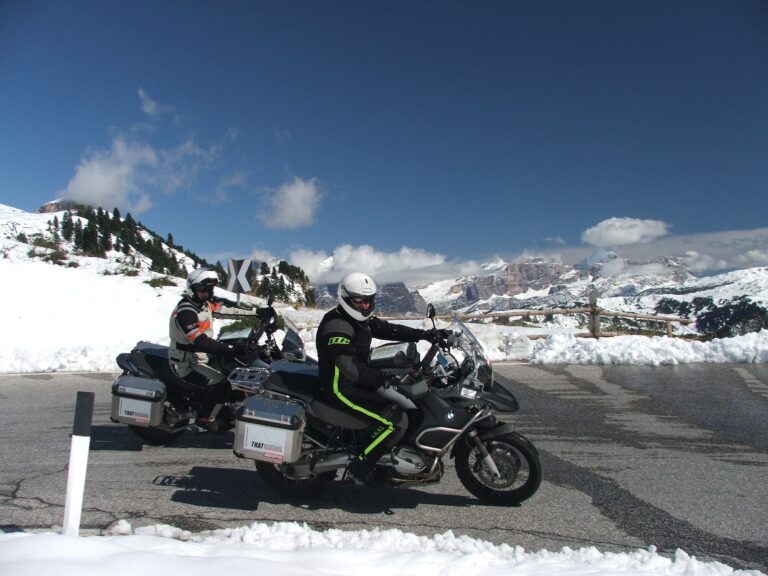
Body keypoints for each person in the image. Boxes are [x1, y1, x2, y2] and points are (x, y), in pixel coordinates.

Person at [315, 272, 447, 485]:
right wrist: (382, 379)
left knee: (400, 404)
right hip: (340, 389)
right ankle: (361, 466)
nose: (366, 306)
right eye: (360, 300)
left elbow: (386, 329)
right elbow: (348, 368)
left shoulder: (359, 320)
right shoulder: (338, 325)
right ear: (346, 299)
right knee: (392, 421)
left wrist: (423, 335)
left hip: (356, 383)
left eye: (369, 300)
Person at [168, 268, 247, 427]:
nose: (207, 292)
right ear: (192, 288)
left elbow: (227, 309)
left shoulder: (205, 304)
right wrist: (229, 349)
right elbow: (200, 341)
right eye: (202, 289)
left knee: (237, 374)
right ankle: (206, 419)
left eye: (210, 288)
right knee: (222, 384)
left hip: (203, 357)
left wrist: (260, 312)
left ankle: (229, 409)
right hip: (186, 363)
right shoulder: (186, 312)